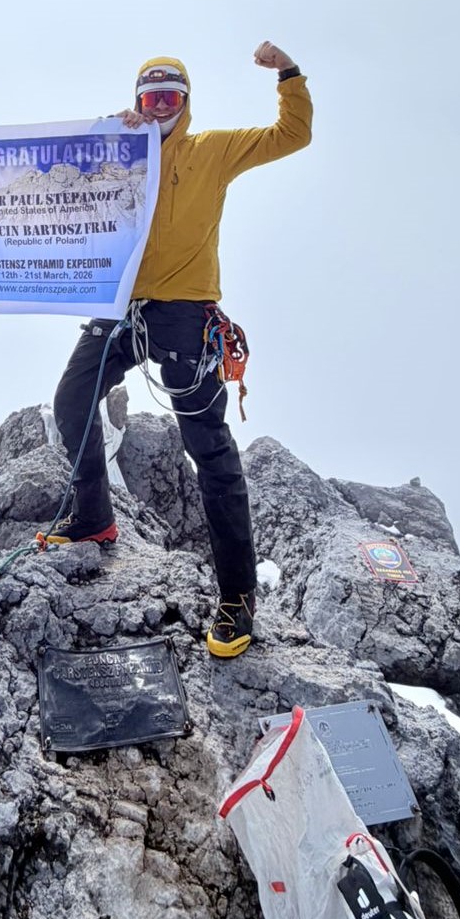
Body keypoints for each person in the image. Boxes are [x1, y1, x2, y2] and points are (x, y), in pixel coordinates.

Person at [44, 42, 312, 657]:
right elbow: (49, 178)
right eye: (149, 98)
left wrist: (288, 75)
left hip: (185, 312)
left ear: (186, 104)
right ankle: (93, 516)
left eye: (170, 98)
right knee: (72, 398)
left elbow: (292, 134)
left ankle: (237, 595)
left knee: (207, 446)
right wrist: (112, 133)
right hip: (120, 306)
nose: (159, 107)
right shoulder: (120, 153)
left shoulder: (212, 151)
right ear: (137, 101)